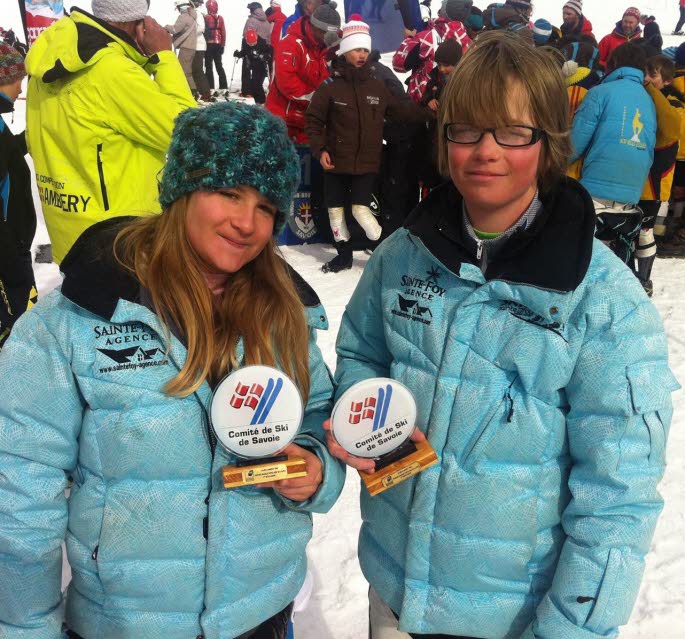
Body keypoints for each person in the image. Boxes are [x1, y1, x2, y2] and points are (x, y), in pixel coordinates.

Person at [326, 30, 678, 638]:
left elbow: (616, 496)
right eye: (467, 129)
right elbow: (362, 347)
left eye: (514, 132)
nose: (486, 150)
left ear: (548, 143)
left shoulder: (601, 297)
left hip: (514, 615)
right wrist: (368, 414)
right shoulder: (403, 255)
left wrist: (571, 628)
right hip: (394, 589)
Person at [0, 101, 346, 639]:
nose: (245, 222)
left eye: (265, 206)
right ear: (181, 191)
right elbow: (18, 492)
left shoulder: (285, 312)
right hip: (124, 623)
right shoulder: (77, 317)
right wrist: (24, 627)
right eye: (228, 193)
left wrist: (318, 468)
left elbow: (318, 412)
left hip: (260, 614)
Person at [24, 0, 195, 265]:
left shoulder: (58, 56)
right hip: (120, 240)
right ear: (136, 23)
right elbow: (187, 132)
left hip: (72, 231)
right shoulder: (110, 71)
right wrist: (163, 58)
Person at [306, 20, 431, 272]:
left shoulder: (377, 85)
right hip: (336, 162)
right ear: (344, 51)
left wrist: (429, 113)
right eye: (356, 49)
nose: (361, 54)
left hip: (366, 162)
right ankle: (344, 256)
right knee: (336, 213)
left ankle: (388, 251)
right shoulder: (330, 87)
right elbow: (314, 120)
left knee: (363, 211)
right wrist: (320, 150)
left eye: (365, 50)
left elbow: (401, 111)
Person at [570, 42, 656, 266]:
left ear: (614, 64)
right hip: (631, 195)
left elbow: (575, 143)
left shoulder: (600, 92)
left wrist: (548, 164)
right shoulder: (648, 101)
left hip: (595, 191)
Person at [0, 44, 36, 351]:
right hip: (8, 247)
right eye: (18, 80)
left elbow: (7, 155)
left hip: (12, 242)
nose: (20, 88)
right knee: (19, 326)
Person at [635, 55, 682, 293]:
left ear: (666, 80)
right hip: (636, 178)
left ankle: (644, 280)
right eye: (644, 73)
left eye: (652, 75)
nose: (647, 79)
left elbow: (672, 133)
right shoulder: (641, 98)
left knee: (645, 231)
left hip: (654, 182)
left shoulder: (674, 103)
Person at [265, 1, 341, 143]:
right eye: (328, 34)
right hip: (283, 122)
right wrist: (318, 98)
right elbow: (287, 83)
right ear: (316, 27)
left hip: (305, 123)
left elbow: (322, 81)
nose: (329, 38)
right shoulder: (291, 44)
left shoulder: (320, 48)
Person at [393, 0, 471, 103]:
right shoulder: (470, 44)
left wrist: (409, 40)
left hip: (422, 104)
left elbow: (399, 64)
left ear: (444, 10)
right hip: (454, 103)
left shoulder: (427, 37)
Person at [168, 0, 200, 94]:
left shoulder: (183, 17)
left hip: (185, 47)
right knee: (187, 71)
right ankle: (193, 91)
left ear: (181, 8)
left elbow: (174, 29)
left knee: (182, 70)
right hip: (192, 47)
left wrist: (166, 27)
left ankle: (190, 92)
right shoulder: (192, 17)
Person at [235, 28, 272, 104]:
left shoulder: (262, 42)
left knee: (257, 84)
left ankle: (262, 101)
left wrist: (262, 56)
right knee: (253, 85)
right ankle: (258, 102)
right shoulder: (245, 42)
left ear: (256, 39)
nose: (251, 45)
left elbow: (269, 54)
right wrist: (238, 54)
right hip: (253, 65)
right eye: (250, 44)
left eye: (253, 43)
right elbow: (244, 51)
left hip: (261, 66)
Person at [204, 0, 227, 93]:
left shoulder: (205, 17)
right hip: (218, 44)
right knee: (219, 65)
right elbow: (223, 32)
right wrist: (222, 45)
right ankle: (224, 86)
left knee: (208, 66)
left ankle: (211, 87)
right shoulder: (220, 18)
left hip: (209, 44)